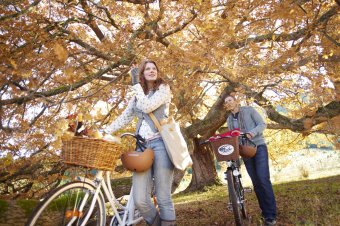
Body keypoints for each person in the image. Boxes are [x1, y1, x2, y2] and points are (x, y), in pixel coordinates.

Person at [104, 60, 176, 226]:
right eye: (147, 69)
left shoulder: (163, 89)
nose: (151, 71)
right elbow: (125, 116)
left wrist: (135, 84)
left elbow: (147, 106)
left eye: (154, 68)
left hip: (161, 145)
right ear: (142, 73)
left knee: (163, 196)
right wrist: (105, 131)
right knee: (140, 199)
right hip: (142, 147)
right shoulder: (138, 94)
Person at [224, 95, 277, 226]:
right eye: (226, 102)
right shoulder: (229, 119)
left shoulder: (249, 110)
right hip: (245, 151)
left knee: (263, 179)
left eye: (230, 100)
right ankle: (265, 212)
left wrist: (251, 133)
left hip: (258, 147)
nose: (228, 103)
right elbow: (231, 136)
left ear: (236, 101)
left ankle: (271, 215)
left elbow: (262, 124)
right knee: (256, 182)